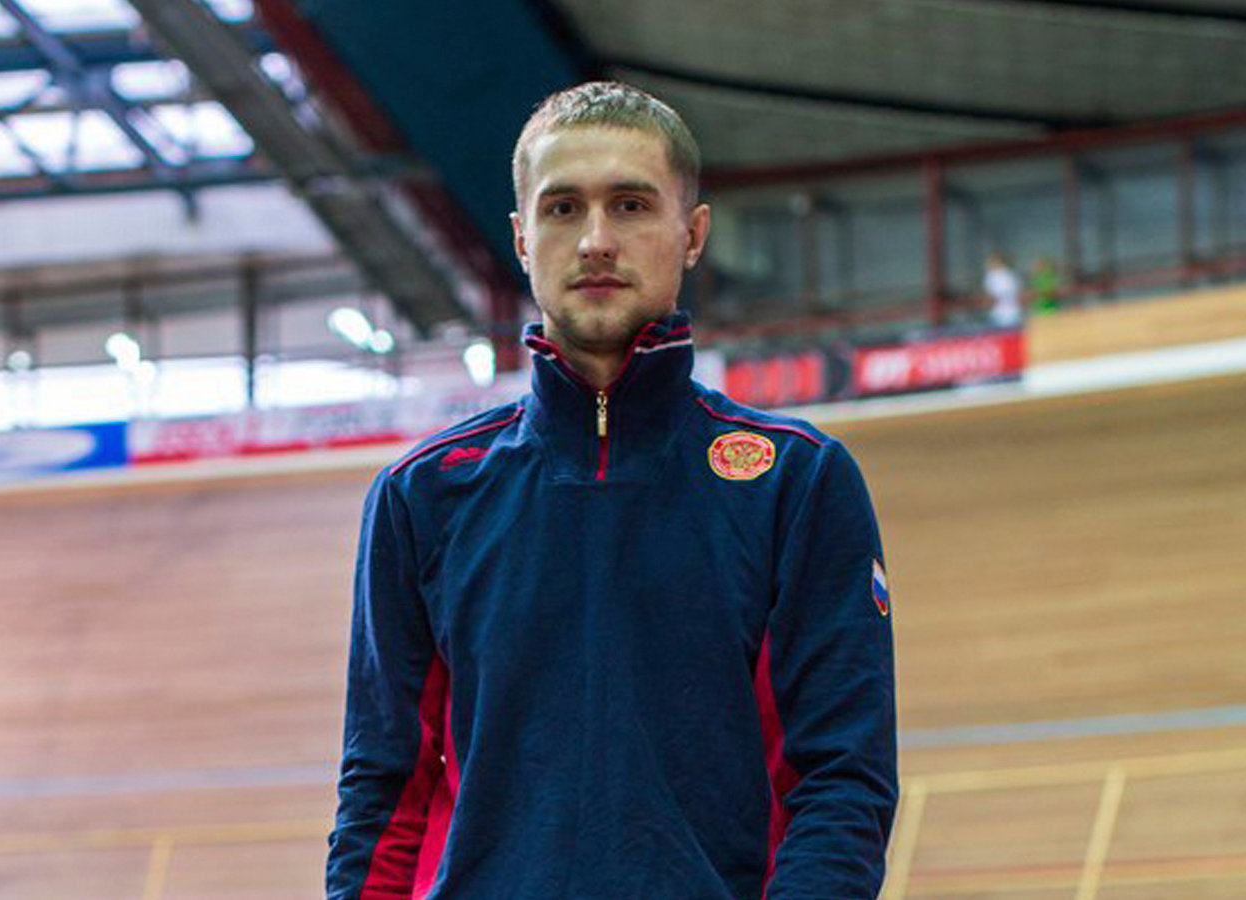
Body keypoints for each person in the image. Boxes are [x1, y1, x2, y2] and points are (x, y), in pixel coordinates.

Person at [326, 82, 897, 899]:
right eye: (563, 209)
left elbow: (841, 782)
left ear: (692, 234)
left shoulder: (796, 481)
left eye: (630, 205)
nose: (596, 241)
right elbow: (384, 791)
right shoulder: (422, 496)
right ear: (522, 239)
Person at [984, 252, 1024, 329]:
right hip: (999, 312)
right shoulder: (991, 276)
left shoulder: (1008, 275)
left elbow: (1013, 292)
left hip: (1010, 312)